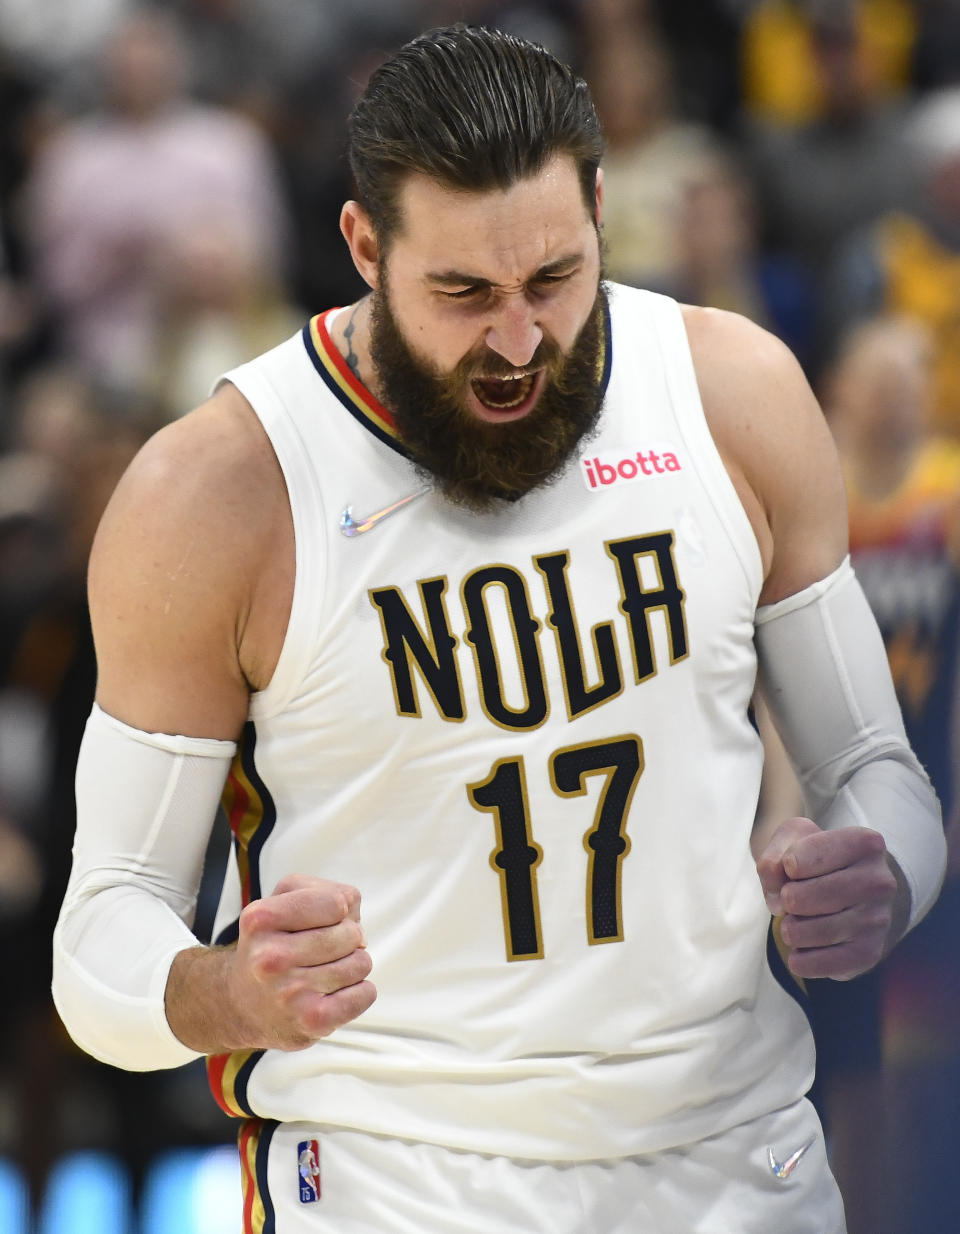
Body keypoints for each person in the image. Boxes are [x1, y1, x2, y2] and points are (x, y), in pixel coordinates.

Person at [51, 24, 946, 1234]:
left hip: (736, 1157)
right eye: (463, 293)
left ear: (598, 216)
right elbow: (100, 931)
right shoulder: (218, 491)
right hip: (391, 1177)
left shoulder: (732, 392)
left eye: (554, 280)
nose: (519, 341)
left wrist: (879, 873)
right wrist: (226, 992)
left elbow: (875, 773)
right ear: (366, 248)